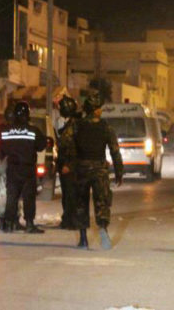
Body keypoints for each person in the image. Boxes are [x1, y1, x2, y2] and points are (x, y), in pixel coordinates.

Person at [62, 90, 123, 250]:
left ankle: (83, 239)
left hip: (81, 169)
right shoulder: (105, 127)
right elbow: (115, 150)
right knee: (102, 202)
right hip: (99, 170)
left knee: (81, 203)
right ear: (95, 110)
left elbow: (65, 142)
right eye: (99, 108)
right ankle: (102, 229)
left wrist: (71, 161)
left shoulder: (77, 126)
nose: (101, 110)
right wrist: (119, 171)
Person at [0, 101, 46, 233]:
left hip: (13, 168)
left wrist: (0, 154)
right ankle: (29, 224)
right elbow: (41, 146)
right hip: (28, 169)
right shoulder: (33, 131)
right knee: (29, 197)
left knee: (12, 196)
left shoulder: (6, 131)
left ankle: (9, 224)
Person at [56, 95, 81, 229]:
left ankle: (72, 221)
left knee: (71, 194)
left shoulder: (74, 125)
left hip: (71, 165)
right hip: (66, 163)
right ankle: (67, 219)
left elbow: (74, 146)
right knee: (67, 193)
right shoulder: (69, 123)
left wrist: (69, 164)